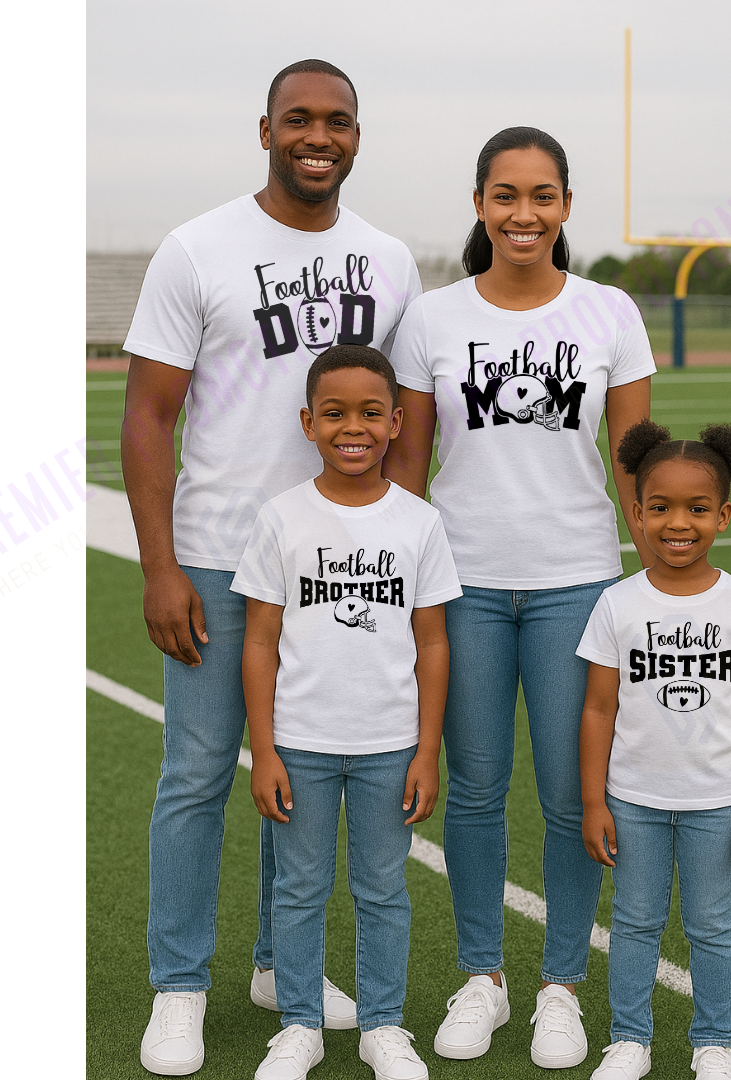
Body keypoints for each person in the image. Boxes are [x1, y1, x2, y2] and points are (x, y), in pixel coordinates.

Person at [121, 60, 423, 1076]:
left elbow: (404, 418)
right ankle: (178, 984)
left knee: (294, 772)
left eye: (338, 121)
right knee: (200, 774)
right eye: (300, 119)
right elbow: (149, 415)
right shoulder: (196, 247)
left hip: (341, 568)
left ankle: (271, 966)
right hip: (216, 559)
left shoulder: (387, 259)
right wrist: (160, 566)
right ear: (264, 130)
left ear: (357, 136)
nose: (319, 136)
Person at [384, 126, 656, 1070]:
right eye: (506, 195)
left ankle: (560, 989)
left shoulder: (611, 312)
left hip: (576, 582)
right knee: (476, 789)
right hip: (460, 583)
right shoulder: (430, 318)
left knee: (574, 793)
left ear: (567, 207)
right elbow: (408, 470)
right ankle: (482, 977)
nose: (524, 214)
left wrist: (661, 586)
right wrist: (392, 588)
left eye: (542, 196)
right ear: (480, 204)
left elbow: (637, 471)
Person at [231, 346, 462, 1080]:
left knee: (383, 888)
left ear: (397, 423)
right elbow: (260, 641)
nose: (351, 428)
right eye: (334, 413)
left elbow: (432, 642)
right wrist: (263, 750)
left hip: (389, 744)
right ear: (307, 422)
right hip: (299, 741)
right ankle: (299, 1023)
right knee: (297, 888)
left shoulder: (420, 522)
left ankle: (383, 1025)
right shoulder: (280, 518)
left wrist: (427, 751)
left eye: (369, 413)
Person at [576, 420, 731, 1080]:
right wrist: (592, 802)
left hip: (718, 803)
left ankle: (714, 1043)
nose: (677, 524)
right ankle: (629, 1040)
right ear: (636, 512)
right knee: (634, 923)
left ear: (722, 515)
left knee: (713, 926)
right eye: (659, 507)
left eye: (697, 509)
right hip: (632, 801)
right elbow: (599, 708)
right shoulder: (616, 604)